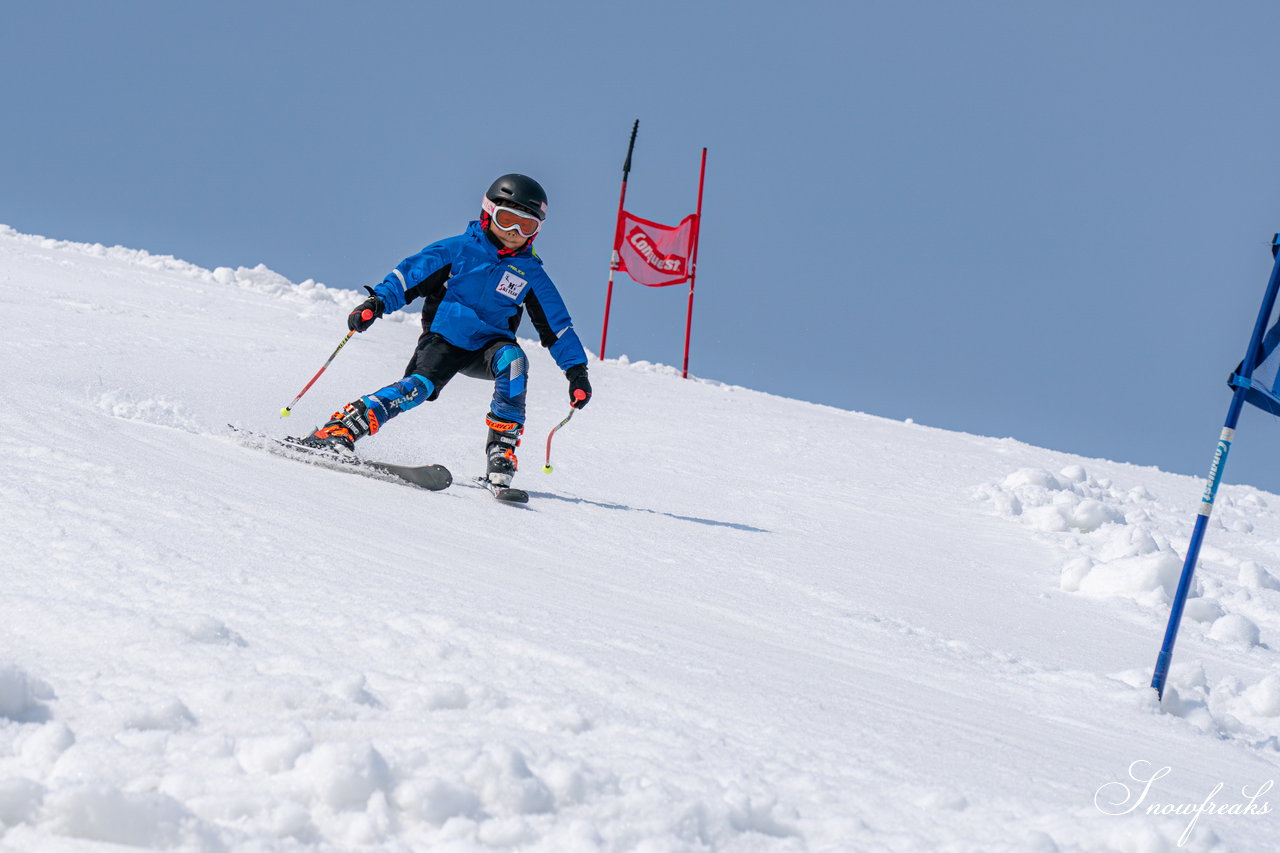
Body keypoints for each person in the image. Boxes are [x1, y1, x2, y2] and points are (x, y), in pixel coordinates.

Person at [295, 173, 592, 488]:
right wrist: (377, 303)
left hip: (489, 347)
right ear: (489, 212)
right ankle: (340, 429)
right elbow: (409, 277)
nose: (514, 232)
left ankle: (502, 452)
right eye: (507, 220)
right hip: (444, 339)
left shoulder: (531, 273)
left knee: (514, 361)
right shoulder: (458, 250)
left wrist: (577, 372)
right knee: (417, 389)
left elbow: (557, 327)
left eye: (526, 226)